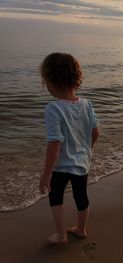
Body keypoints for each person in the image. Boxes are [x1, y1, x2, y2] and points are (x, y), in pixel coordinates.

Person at [39, 53, 99, 245]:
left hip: (61, 166)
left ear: (51, 81)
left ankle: (60, 234)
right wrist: (85, 149)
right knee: (81, 196)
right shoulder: (87, 104)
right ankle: (81, 229)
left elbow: (54, 142)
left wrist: (46, 173)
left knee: (55, 196)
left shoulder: (53, 108)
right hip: (82, 162)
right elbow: (96, 131)